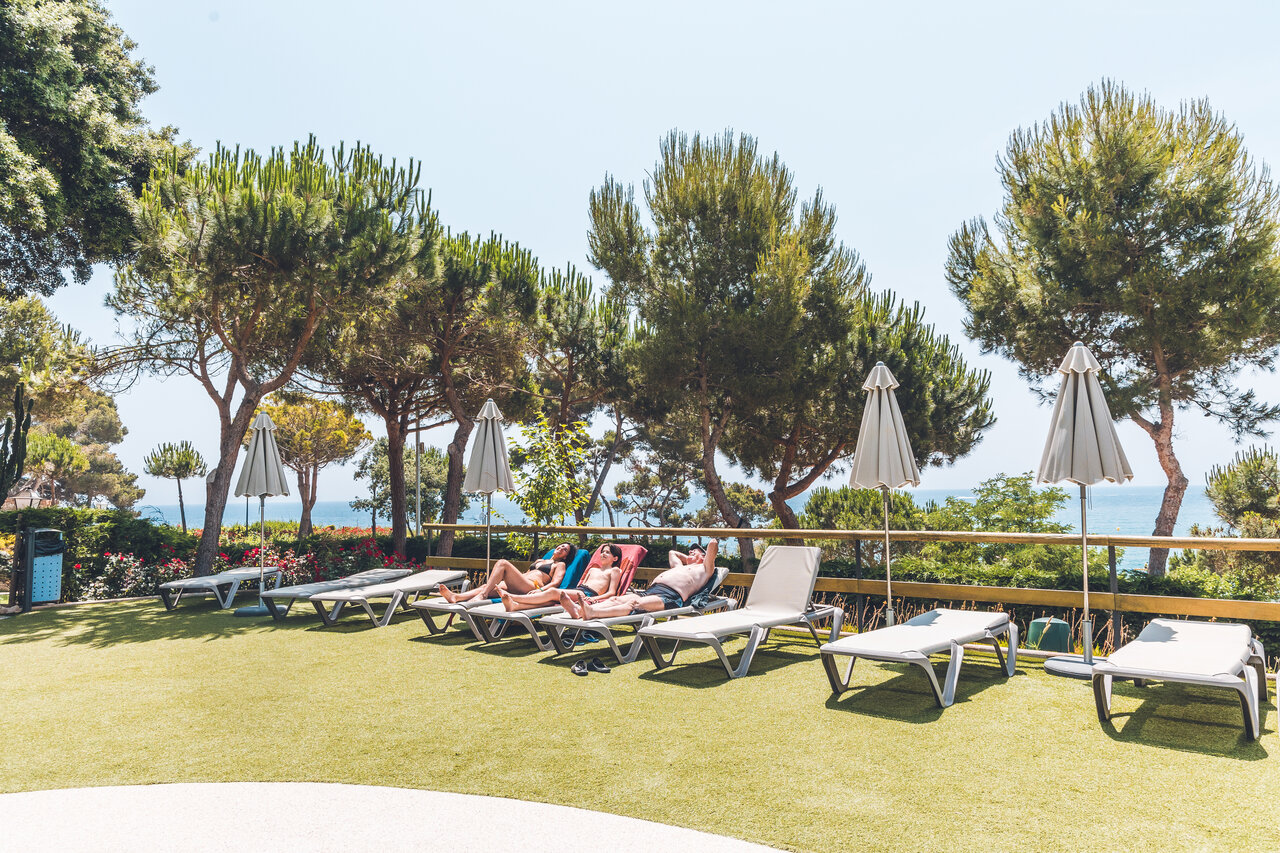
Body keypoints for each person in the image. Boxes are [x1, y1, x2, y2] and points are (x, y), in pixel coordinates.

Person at [560, 540, 717, 619]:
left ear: (704, 557)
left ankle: (593, 612)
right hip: (651, 591)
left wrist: (700, 558)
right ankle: (579, 611)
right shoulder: (679, 567)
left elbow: (713, 544)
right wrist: (690, 557)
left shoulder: (704, 569)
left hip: (670, 597)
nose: (690, 552)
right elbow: (672, 553)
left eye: (694, 551)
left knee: (634, 604)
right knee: (615, 599)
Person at [498, 543, 627, 612]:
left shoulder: (614, 570)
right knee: (551, 601)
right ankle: (516, 606)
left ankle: (513, 597)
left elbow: (611, 592)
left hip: (589, 594)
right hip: (579, 591)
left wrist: (595, 599)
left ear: (615, 558)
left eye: (607, 552)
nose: (603, 554)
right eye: (602, 551)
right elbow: (580, 585)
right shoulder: (592, 569)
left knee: (553, 592)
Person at [436, 542, 576, 603]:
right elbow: (526, 573)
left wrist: (541, 591)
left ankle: (482, 596)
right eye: (561, 546)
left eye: (565, 550)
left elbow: (556, 582)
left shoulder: (560, 564)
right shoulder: (540, 560)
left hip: (532, 587)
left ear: (565, 556)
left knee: (502, 563)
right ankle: (456, 597)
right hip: (520, 583)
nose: (561, 548)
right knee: (488, 586)